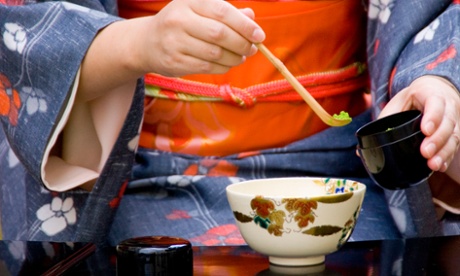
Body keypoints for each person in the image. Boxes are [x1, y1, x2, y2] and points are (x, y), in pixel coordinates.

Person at [0, 0, 459, 248]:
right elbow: (26, 25)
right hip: (147, 179)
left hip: (345, 179)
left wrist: (438, 85)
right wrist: (135, 44)